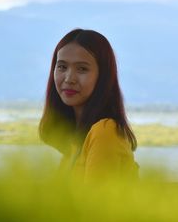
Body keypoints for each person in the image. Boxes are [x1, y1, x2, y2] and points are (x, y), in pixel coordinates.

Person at [39, 29, 139, 183]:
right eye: (62, 67)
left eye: (82, 69)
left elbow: (94, 205)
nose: (69, 78)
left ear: (103, 77)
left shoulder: (105, 131)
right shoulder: (77, 140)